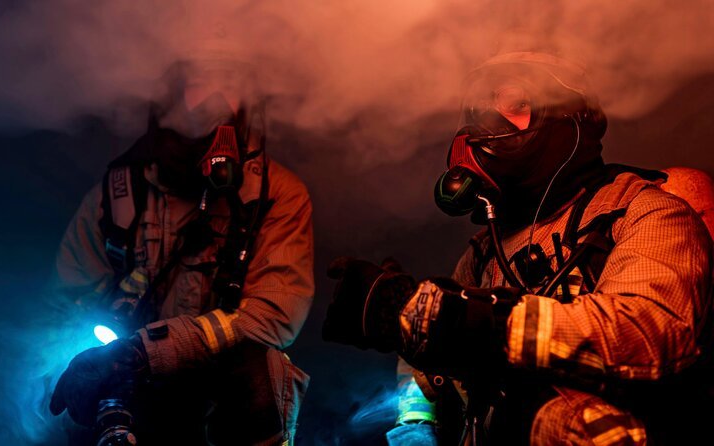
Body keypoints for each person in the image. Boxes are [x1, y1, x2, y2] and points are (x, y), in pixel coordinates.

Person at [322, 51, 714, 445]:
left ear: (571, 119)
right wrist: (414, 425)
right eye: (483, 106)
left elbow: (649, 330)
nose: (489, 122)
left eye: (516, 104)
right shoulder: (485, 249)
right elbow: (427, 347)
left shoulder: (644, 211)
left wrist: (475, 324)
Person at [49, 54, 314, 446]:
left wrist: (149, 350)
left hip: (218, 388)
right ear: (165, 94)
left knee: (264, 371)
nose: (212, 99)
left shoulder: (274, 195)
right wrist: (101, 356)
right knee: (70, 383)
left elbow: (273, 315)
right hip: (130, 379)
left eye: (228, 80)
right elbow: (65, 301)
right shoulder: (119, 194)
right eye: (197, 80)